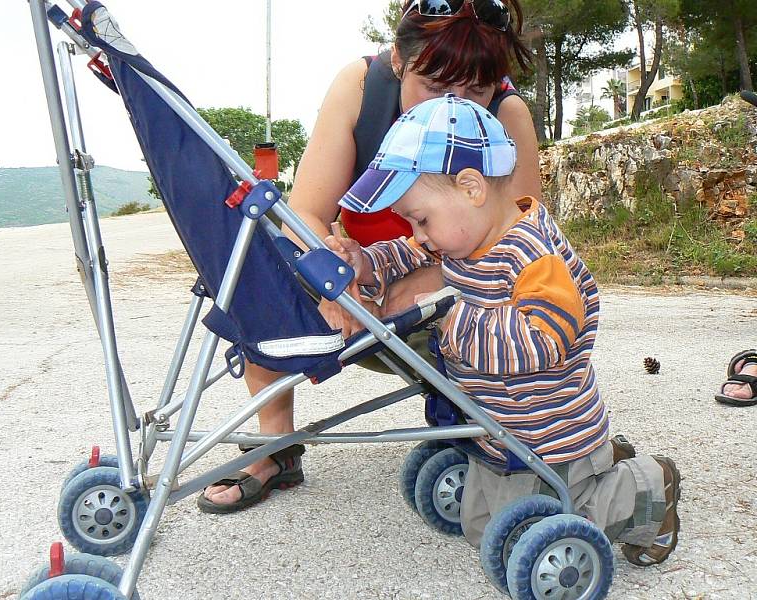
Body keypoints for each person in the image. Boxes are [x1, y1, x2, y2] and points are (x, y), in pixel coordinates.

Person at [198, 0, 542, 513]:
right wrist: (337, 275)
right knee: (264, 268)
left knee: (457, 291)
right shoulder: (359, 88)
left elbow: (518, 251)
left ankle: (502, 429)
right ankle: (276, 445)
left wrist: (408, 281)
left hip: (447, 291)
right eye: (434, 86)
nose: (451, 105)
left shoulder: (508, 115)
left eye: (475, 91)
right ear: (399, 61)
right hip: (360, 271)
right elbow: (307, 213)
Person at [326, 94, 682, 566]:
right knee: (481, 528)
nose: (419, 233)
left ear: (471, 187)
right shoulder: (460, 238)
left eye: (420, 217)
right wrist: (366, 263)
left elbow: (544, 339)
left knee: (556, 520)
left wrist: (451, 320)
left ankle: (647, 488)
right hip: (499, 426)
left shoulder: (534, 255)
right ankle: (607, 466)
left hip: (547, 430)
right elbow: (407, 254)